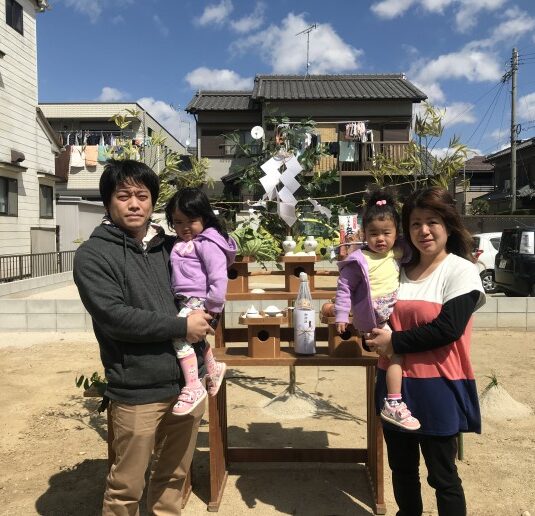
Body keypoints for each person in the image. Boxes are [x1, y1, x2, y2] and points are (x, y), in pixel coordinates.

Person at [73, 159, 214, 515]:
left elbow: (203, 283)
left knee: (173, 478)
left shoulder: (173, 247)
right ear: (108, 203)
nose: (134, 203)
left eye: (143, 195)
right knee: (125, 487)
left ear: (153, 203)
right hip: (136, 388)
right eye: (124, 196)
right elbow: (115, 318)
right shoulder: (93, 255)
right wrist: (182, 327)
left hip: (187, 385)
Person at [366, 186, 485, 516]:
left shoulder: (461, 271)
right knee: (402, 473)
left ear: (448, 224)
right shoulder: (397, 271)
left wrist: (395, 343)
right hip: (394, 388)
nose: (424, 231)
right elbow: (379, 320)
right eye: (415, 224)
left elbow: (448, 329)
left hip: (439, 387)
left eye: (431, 221)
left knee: (443, 477)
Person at [335, 188, 420, 431]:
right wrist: (341, 314)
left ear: (396, 234)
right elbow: (344, 288)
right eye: (373, 234)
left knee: (395, 354)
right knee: (395, 355)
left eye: (386, 233)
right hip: (374, 318)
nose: (380, 239)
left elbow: (415, 245)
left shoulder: (398, 252)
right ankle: (393, 402)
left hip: (393, 314)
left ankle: (394, 397)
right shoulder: (358, 259)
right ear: (364, 234)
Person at [164, 187, 237, 415]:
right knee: (194, 339)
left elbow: (218, 278)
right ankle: (213, 368)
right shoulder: (184, 241)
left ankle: (193, 385)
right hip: (186, 300)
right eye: (177, 222)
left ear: (204, 218)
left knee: (179, 334)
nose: (185, 227)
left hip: (201, 302)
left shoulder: (208, 243)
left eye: (191, 221)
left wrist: (211, 310)